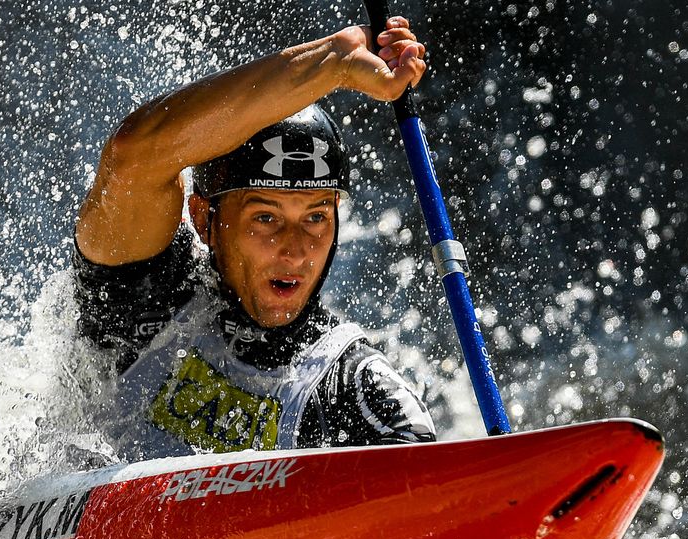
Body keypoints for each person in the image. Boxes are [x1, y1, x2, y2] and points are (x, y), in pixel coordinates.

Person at [72, 18, 437, 462]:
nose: (295, 250)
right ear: (202, 216)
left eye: (316, 218)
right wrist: (332, 63)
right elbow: (134, 155)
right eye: (266, 217)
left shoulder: (351, 385)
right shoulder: (145, 290)